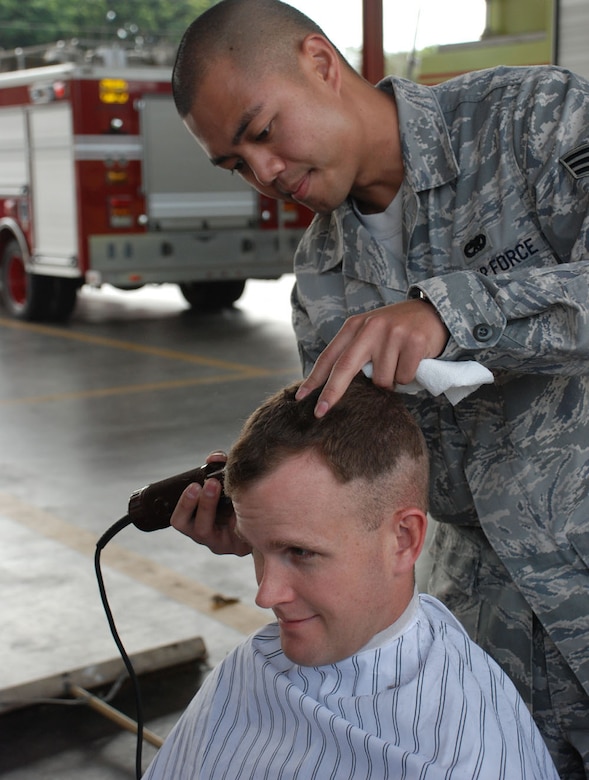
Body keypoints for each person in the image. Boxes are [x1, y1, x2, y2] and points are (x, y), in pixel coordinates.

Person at [170, 1, 589, 776]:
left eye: (261, 132)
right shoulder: (320, 279)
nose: (262, 174)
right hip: (490, 643)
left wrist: (451, 312)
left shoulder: (533, 121)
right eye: (234, 164)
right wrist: (278, 525)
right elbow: (365, 465)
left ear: (320, 63)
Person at [143, 376, 559, 780]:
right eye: (255, 548)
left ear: (404, 540)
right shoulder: (251, 670)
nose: (266, 595)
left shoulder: (461, 760)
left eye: (301, 552)